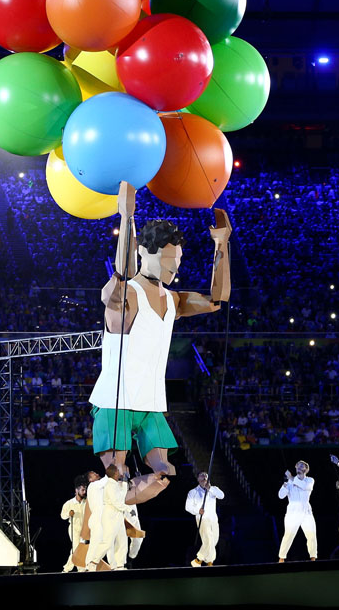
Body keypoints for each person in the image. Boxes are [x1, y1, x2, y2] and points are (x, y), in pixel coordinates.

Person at [89, 182, 231, 504]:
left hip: (151, 402)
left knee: (165, 473)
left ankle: (113, 508)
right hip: (117, 401)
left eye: (178, 261)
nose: (175, 268)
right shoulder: (125, 296)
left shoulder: (173, 299)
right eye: (169, 261)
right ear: (145, 253)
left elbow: (217, 299)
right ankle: (104, 511)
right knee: (117, 473)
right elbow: (119, 284)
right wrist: (127, 219)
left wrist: (221, 246)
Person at [85, 464, 128, 571]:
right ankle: (90, 563)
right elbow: (108, 480)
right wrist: (112, 468)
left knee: (120, 541)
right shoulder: (94, 485)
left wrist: (124, 482)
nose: (96, 474)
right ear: (90, 480)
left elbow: (120, 494)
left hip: (113, 514)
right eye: (93, 474)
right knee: (103, 542)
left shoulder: (106, 485)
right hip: (100, 517)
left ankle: (117, 565)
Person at [277, 461, 317, 562]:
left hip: (306, 512)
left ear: (306, 469)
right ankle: (281, 558)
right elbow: (281, 496)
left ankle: (313, 558)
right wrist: (286, 484)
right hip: (292, 513)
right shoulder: (290, 481)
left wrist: (291, 478)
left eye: (302, 466)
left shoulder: (310, 480)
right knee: (288, 535)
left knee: (311, 535)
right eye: (298, 465)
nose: (299, 467)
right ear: (295, 467)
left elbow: (305, 487)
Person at [186, 471, 225, 567]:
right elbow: (188, 507)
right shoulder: (193, 492)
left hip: (213, 519)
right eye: (201, 475)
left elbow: (222, 496)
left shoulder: (213, 489)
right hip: (203, 519)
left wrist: (210, 488)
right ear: (198, 479)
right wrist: (197, 510)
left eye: (206, 475)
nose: (204, 477)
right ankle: (203, 561)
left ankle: (203, 561)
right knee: (208, 540)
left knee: (214, 541)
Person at [61, 474, 89, 572]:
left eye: (85, 489)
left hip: (85, 529)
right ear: (76, 490)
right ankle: (79, 569)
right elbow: (62, 516)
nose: (84, 492)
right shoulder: (69, 503)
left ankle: (67, 569)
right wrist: (69, 513)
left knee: (79, 550)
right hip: (74, 528)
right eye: (82, 490)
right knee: (77, 548)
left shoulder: (87, 502)